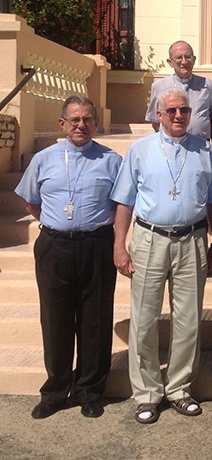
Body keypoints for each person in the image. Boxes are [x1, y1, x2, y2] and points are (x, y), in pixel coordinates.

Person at [111, 87, 212, 424]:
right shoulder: (140, 150)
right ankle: (147, 394)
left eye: (184, 111)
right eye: (171, 111)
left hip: (192, 239)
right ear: (159, 115)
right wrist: (119, 245)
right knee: (144, 319)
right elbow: (124, 201)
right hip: (149, 239)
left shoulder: (203, 150)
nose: (178, 116)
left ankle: (179, 388)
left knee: (188, 320)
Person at [15, 95, 122, 419]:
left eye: (87, 119)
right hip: (55, 247)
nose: (81, 125)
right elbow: (31, 202)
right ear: (62, 124)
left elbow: (121, 206)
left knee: (96, 320)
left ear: (95, 123)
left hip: (96, 246)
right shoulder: (43, 159)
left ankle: (90, 391)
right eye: (74, 119)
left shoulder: (111, 160)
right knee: (56, 320)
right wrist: (56, 223)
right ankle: (55, 391)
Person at [145, 41, 212, 141]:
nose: (184, 62)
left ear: (194, 60)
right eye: (179, 58)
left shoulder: (207, 85)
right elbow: (155, 121)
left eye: (188, 57)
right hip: (170, 145)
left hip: (201, 146)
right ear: (170, 62)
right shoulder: (159, 86)